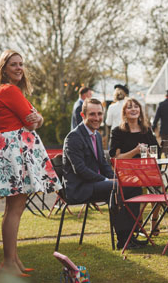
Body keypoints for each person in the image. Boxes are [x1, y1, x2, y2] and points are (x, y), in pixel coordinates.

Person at [0, 49, 61, 276]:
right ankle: (9, 262)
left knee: (13, 207)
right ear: (3, 68)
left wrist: (37, 118)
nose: (18, 68)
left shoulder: (8, 92)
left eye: (21, 64)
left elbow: (36, 117)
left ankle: (13, 261)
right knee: (15, 208)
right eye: (13, 64)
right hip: (13, 150)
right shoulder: (8, 91)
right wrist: (36, 119)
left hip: (12, 149)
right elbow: (32, 120)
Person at [63, 98, 144, 250]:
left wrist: (115, 177)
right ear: (82, 115)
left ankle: (129, 235)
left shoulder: (97, 136)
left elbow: (103, 164)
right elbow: (80, 170)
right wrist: (107, 180)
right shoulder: (74, 137)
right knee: (117, 187)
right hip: (80, 188)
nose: (97, 118)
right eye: (92, 114)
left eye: (99, 114)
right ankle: (124, 239)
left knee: (132, 185)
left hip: (95, 184)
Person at [109, 98, 161, 235]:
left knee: (160, 189)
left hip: (148, 171)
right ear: (124, 112)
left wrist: (150, 153)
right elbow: (116, 158)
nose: (133, 109)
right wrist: (135, 152)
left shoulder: (146, 130)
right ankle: (137, 224)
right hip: (128, 174)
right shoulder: (118, 132)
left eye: (136, 106)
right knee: (138, 192)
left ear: (140, 111)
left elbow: (157, 151)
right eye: (129, 107)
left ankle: (153, 221)